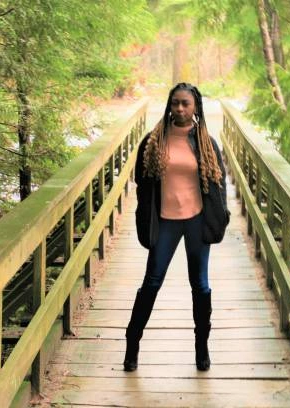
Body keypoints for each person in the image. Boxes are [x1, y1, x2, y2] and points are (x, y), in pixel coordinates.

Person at [123, 83, 231, 372]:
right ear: (169, 105)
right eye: (175, 103)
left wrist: (220, 217)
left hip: (196, 220)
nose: (180, 109)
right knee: (152, 282)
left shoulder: (206, 141)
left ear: (196, 107)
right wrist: (145, 216)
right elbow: (142, 181)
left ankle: (202, 347)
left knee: (201, 285)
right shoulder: (154, 140)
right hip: (165, 221)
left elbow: (218, 183)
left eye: (185, 103)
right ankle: (132, 343)